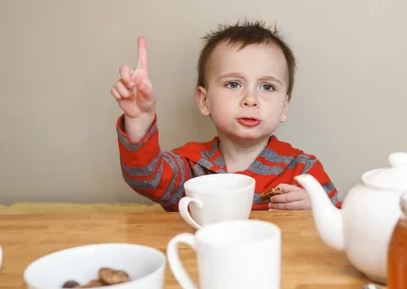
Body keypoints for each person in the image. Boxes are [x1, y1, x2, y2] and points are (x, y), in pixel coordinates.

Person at [111, 19, 340, 212]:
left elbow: (340, 219)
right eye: (233, 84)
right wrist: (140, 120)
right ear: (204, 101)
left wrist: (317, 207)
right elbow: (145, 176)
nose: (250, 99)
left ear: (284, 107)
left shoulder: (303, 171)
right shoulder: (189, 168)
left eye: (267, 87)